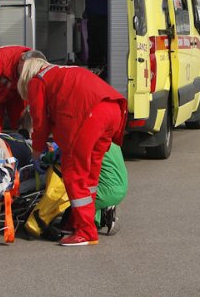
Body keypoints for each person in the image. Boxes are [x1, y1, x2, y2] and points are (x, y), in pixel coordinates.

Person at [18, 57, 127, 246]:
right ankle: (80, 223)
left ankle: (86, 232)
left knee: (73, 176)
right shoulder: (64, 72)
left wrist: (37, 152)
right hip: (114, 110)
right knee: (90, 178)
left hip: (91, 116)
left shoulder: (38, 81)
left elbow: (40, 123)